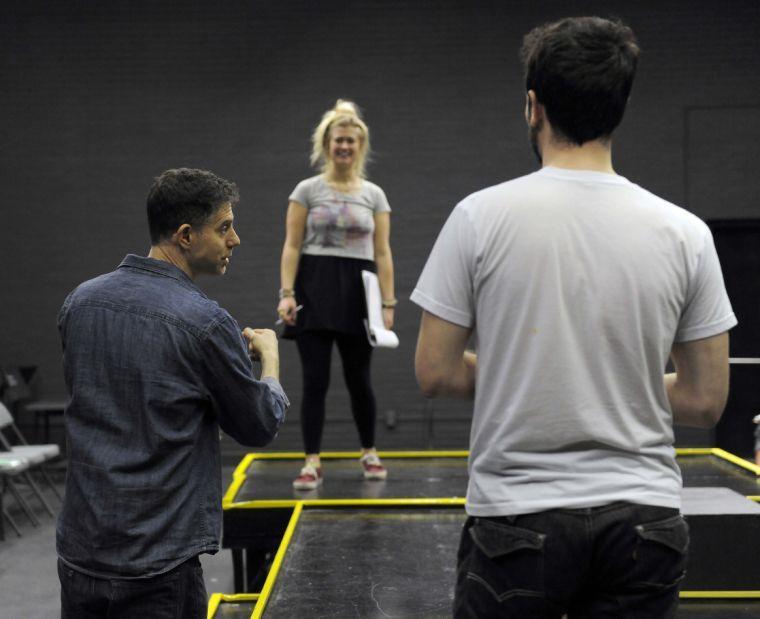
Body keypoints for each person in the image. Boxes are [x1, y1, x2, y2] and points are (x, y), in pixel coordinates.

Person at [412, 17, 735, 619]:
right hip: (645, 522)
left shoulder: (478, 218)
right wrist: (614, 383)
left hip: (516, 519)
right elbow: (704, 400)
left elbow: (434, 372)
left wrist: (532, 376)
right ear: (620, 107)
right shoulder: (686, 233)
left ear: (532, 107)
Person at [56, 168, 289, 617]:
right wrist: (270, 361)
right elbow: (259, 425)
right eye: (224, 227)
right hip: (158, 568)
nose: (235, 239)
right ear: (185, 235)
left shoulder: (79, 303)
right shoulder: (205, 323)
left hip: (80, 556)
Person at [277, 99, 395, 490]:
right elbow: (292, 246)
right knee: (315, 381)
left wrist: (388, 303)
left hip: (359, 290)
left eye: (351, 141)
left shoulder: (374, 195)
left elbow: (382, 252)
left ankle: (369, 451)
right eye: (338, 140)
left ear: (361, 146)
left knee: (360, 378)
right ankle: (311, 462)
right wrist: (287, 293)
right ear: (325, 144)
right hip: (315, 286)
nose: (344, 147)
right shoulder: (306, 190)